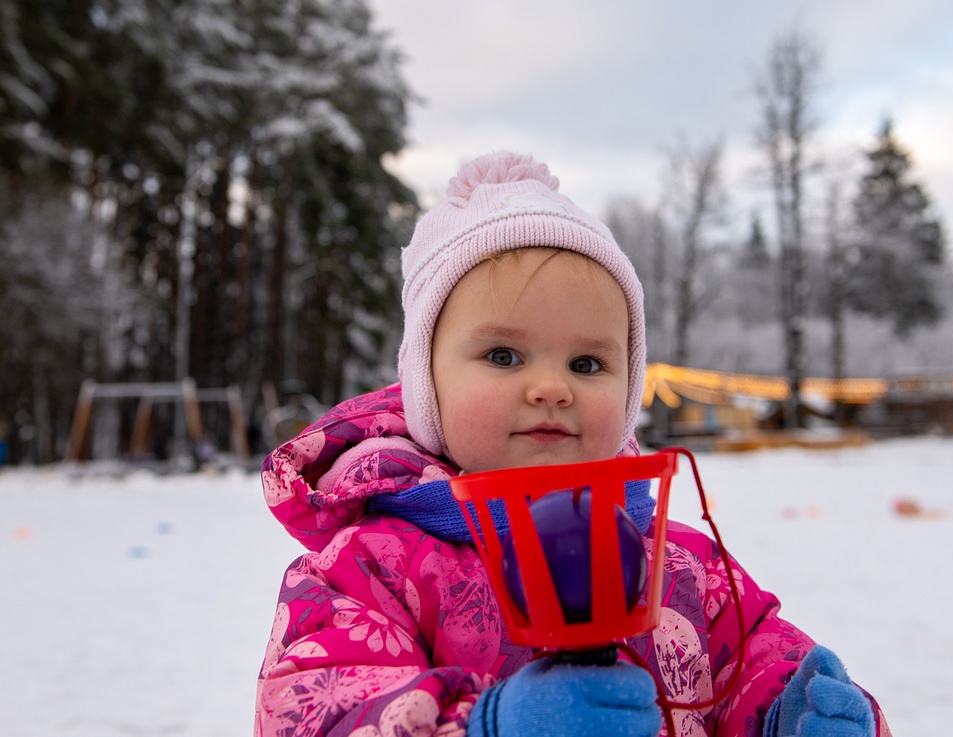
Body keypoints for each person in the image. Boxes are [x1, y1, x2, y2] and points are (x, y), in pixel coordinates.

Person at [256, 151, 892, 737]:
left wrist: (788, 710)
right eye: (504, 355)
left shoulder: (680, 567)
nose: (552, 388)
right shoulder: (367, 570)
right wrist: (490, 727)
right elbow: (312, 710)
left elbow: (752, 656)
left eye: (588, 365)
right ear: (426, 383)